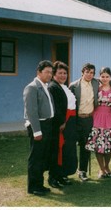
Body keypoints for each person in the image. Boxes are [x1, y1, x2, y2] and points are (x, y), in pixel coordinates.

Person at [69, 63, 111, 182]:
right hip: (80, 118)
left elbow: (108, 80)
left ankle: (86, 170)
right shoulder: (75, 85)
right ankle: (70, 170)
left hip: (95, 118)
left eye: (92, 73)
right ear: (82, 72)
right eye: (87, 72)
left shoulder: (96, 83)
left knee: (93, 145)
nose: (89, 75)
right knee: (78, 145)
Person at [23, 60, 54, 196]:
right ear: (39, 72)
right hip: (38, 126)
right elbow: (31, 112)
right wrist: (37, 131)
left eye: (51, 72)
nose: (49, 75)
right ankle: (33, 187)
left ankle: (39, 184)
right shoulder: (32, 87)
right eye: (47, 72)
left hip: (47, 125)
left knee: (42, 156)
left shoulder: (44, 86)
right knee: (36, 157)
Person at [85, 67, 111, 179]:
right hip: (97, 117)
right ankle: (101, 169)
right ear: (99, 77)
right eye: (103, 76)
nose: (105, 79)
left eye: (107, 76)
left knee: (109, 144)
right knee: (98, 144)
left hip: (110, 118)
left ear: (110, 77)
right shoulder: (96, 86)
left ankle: (107, 167)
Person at [47, 61, 77, 188]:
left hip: (70, 122)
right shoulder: (53, 87)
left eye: (65, 73)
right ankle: (53, 177)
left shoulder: (64, 87)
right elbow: (56, 108)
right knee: (57, 150)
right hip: (61, 123)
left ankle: (62, 175)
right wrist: (62, 122)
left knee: (66, 150)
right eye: (60, 73)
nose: (63, 75)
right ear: (54, 74)